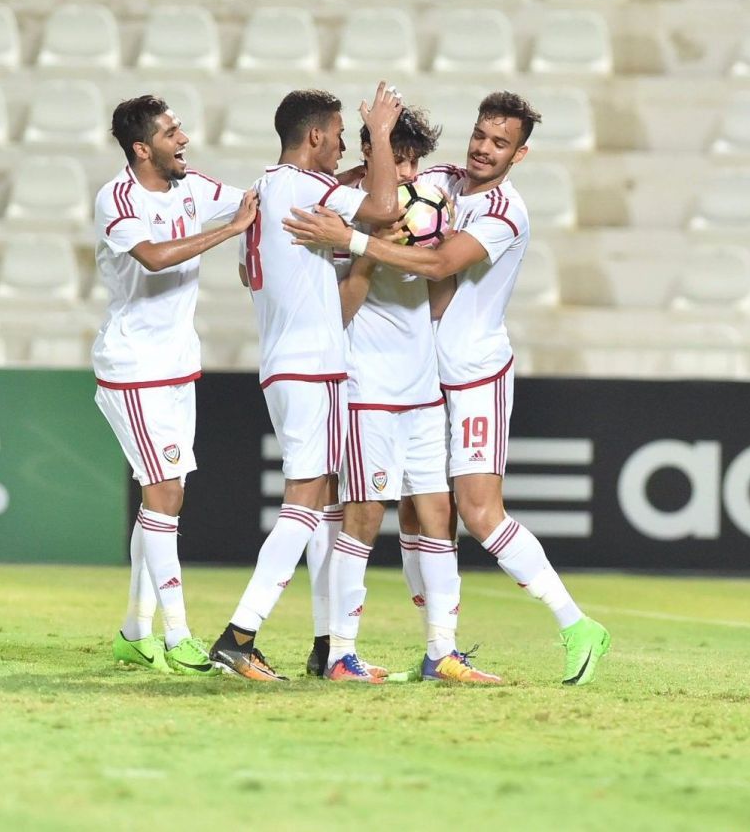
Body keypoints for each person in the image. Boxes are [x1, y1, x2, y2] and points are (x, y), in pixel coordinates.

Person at [284, 91, 611, 686]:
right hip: (426, 380)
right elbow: (380, 187)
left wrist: (353, 239)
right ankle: (438, 651)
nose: (485, 149)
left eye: (500, 142)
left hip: (475, 375)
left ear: (520, 153)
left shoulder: (506, 211)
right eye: (481, 135)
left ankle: (577, 625)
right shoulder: (441, 181)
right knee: (420, 515)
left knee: (479, 513)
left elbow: (438, 266)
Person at [207, 81, 403, 681]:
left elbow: (253, 268)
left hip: (285, 362)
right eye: (341, 134)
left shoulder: (265, 190)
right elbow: (384, 210)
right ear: (315, 135)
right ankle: (240, 635)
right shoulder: (308, 190)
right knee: (306, 502)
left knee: (319, 510)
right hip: (313, 364)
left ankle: (326, 647)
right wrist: (383, 137)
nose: (344, 143)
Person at [317, 105, 501, 683]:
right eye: (398, 157)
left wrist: (425, 257)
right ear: (369, 153)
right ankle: (341, 652)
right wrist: (369, 246)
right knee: (365, 515)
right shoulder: (341, 209)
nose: (408, 171)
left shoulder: (428, 205)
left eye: (415, 160)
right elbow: (340, 311)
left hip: (420, 386)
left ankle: (440, 651)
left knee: (438, 512)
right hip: (366, 385)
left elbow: (440, 289)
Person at [93, 94, 257, 675]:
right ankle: (179, 636)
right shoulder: (117, 199)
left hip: (176, 367)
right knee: (164, 496)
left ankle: (136, 632)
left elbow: (255, 200)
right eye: (171, 132)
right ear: (142, 148)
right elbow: (155, 258)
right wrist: (229, 231)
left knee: (162, 499)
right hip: (133, 369)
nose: (183, 139)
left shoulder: (192, 186)